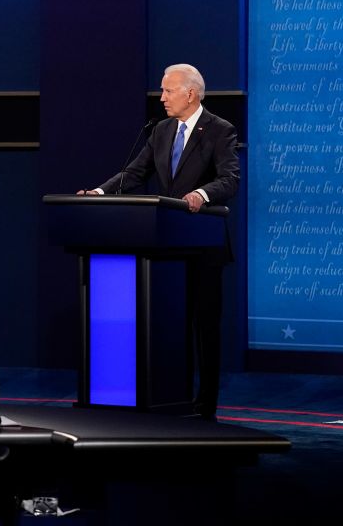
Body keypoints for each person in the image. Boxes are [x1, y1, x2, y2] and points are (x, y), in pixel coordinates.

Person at [78, 63, 239, 419]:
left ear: (190, 94)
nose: (162, 97)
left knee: (204, 327)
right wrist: (101, 191)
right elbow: (136, 172)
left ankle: (205, 405)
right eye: (162, 90)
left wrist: (201, 193)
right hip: (167, 248)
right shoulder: (161, 130)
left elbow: (230, 179)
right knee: (171, 324)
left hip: (203, 243)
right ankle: (169, 397)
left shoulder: (219, 130)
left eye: (168, 91)